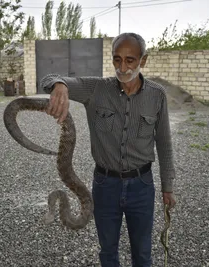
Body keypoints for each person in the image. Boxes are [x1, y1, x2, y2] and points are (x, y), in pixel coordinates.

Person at [40, 32, 176, 267]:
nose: (122, 67)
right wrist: (59, 85)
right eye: (117, 59)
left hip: (142, 186)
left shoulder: (157, 95)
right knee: (107, 251)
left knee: (142, 253)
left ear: (143, 60)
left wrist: (168, 187)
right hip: (105, 186)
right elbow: (48, 78)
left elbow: (164, 143)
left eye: (130, 60)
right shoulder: (96, 89)